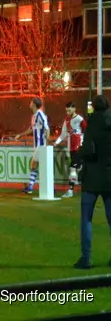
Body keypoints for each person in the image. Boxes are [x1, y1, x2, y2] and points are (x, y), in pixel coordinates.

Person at [74, 95, 111, 269]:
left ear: (94, 108)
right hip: (109, 178)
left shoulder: (91, 125)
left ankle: (86, 258)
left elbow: (88, 151)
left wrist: (81, 152)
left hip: (92, 179)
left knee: (86, 219)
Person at [16, 97, 49, 195]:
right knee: (38, 166)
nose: (29, 103)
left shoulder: (40, 114)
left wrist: (46, 145)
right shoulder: (34, 116)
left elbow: (47, 128)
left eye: (31, 102)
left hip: (41, 145)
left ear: (34, 104)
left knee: (34, 165)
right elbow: (31, 128)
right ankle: (35, 187)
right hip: (37, 146)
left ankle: (30, 187)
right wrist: (21, 134)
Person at [54, 101, 87, 198]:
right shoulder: (67, 120)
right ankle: (84, 180)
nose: (68, 112)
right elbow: (63, 134)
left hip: (79, 147)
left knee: (72, 169)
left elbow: (86, 131)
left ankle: (70, 191)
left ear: (74, 109)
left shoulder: (80, 119)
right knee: (78, 168)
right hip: (71, 148)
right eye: (66, 111)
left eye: (69, 110)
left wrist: (83, 143)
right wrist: (56, 142)